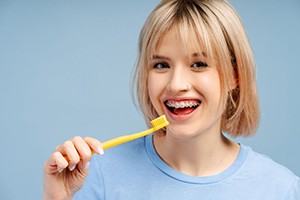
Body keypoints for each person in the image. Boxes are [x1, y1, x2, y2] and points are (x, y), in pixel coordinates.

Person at [43, 0, 300, 199]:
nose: (176, 85)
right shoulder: (94, 176)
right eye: (161, 65)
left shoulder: (282, 189)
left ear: (235, 76)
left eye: (199, 64)